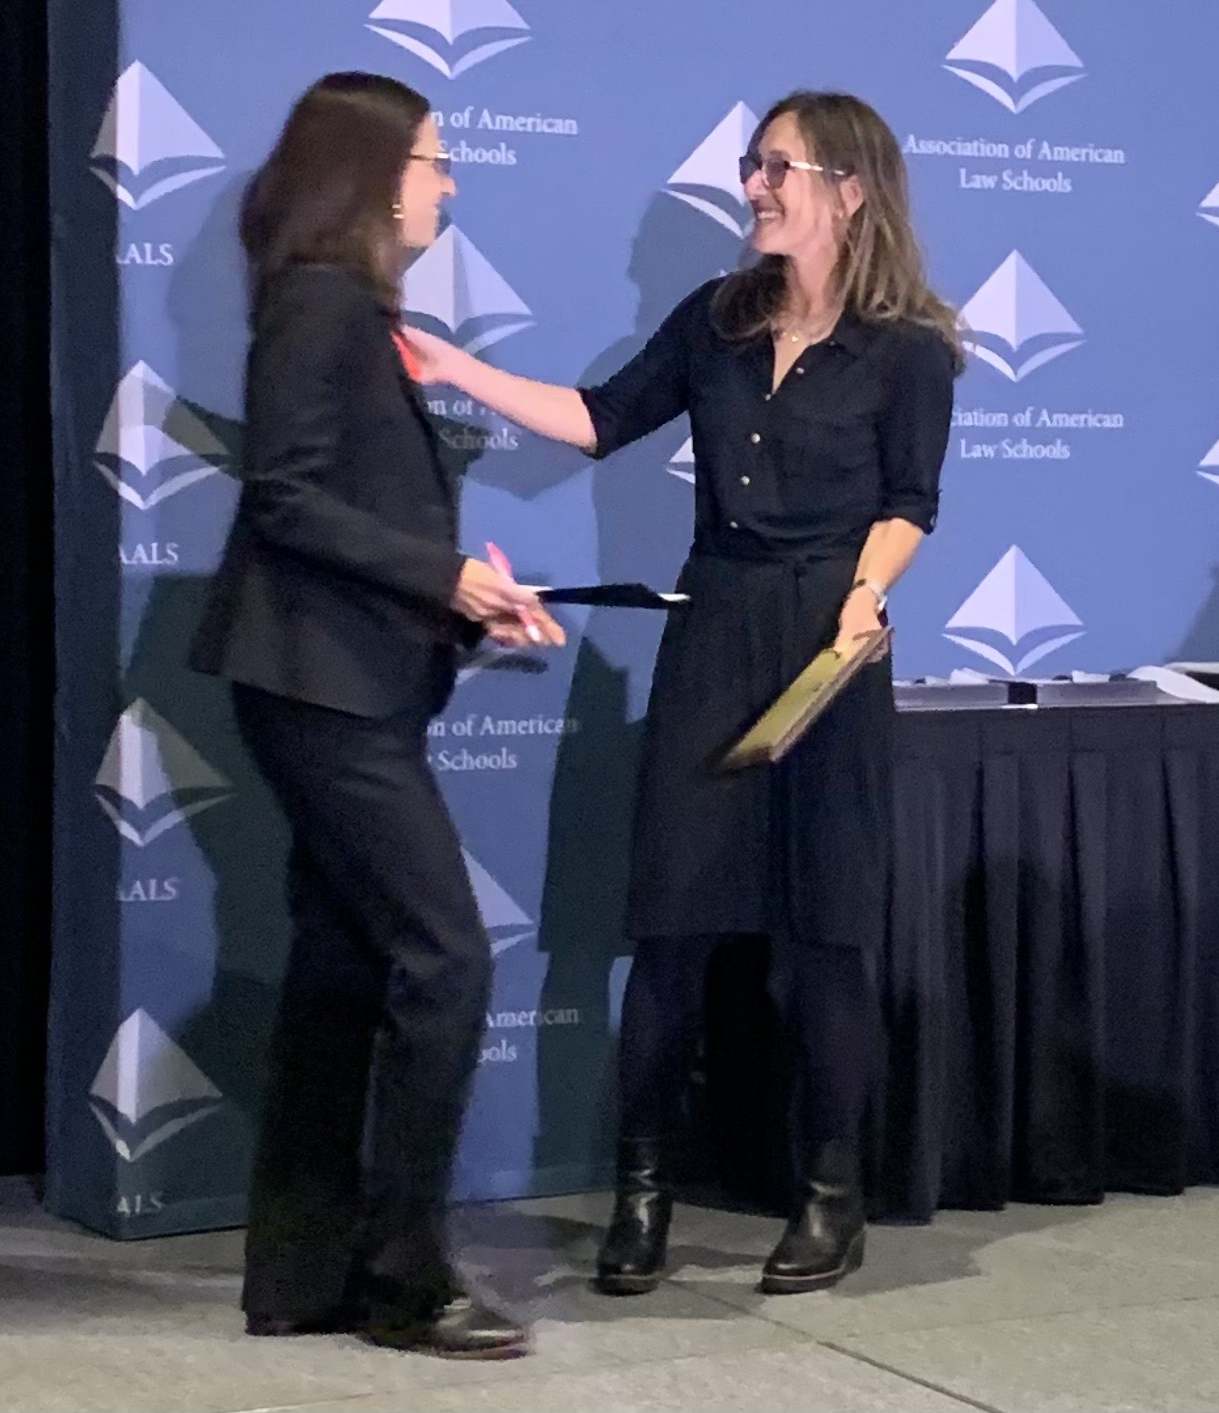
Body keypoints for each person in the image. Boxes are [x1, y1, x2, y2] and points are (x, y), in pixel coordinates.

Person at [406, 90, 961, 1296]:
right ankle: (642, 1197)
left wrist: (866, 597)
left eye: (780, 168)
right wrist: (457, 367)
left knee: (827, 941)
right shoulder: (711, 322)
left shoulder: (911, 350)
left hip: (830, 652)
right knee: (668, 934)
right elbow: (599, 420)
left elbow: (908, 500)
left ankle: (830, 1199)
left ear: (851, 191)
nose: (755, 186)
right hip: (713, 632)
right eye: (752, 165)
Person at [190, 72, 563, 1357]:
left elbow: (352, 521)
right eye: (434, 159)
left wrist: (470, 605)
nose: (447, 183)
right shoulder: (318, 301)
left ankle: (301, 1280)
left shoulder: (344, 306)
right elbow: (286, 500)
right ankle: (407, 1277)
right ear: (373, 172)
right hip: (317, 689)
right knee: (443, 958)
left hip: (342, 680)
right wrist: (445, 574)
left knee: (344, 974)